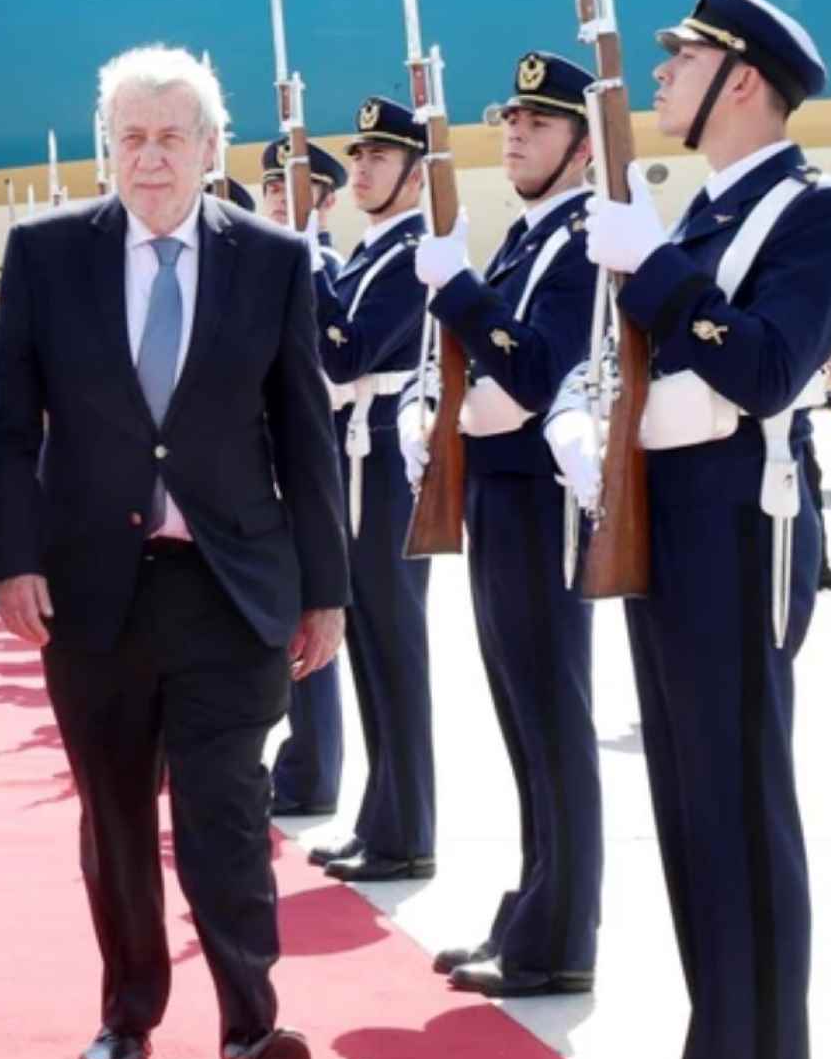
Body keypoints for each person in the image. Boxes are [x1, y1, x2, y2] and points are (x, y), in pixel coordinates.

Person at [0, 46, 346, 1059]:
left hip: (227, 586)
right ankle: (129, 1008)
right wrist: (12, 558)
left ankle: (249, 1031)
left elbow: (304, 431)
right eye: (131, 137)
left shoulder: (271, 259)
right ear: (110, 146)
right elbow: (9, 428)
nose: (149, 157)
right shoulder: (46, 255)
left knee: (224, 810)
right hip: (91, 589)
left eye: (170, 137)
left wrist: (325, 588)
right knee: (112, 813)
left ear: (209, 147)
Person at [545, 0, 831, 1059]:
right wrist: (586, 424)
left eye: (681, 60)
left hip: (737, 533)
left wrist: (657, 274)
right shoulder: (694, 216)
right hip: (664, 529)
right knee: (686, 806)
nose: (661, 76)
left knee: (736, 806)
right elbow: (636, 361)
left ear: (740, 81)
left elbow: (766, 368)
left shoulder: (812, 214)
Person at [402, 52, 603, 998]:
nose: (516, 133)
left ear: (584, 146)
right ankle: (533, 910)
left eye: (540, 121)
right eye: (513, 119)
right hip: (500, 494)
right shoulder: (530, 239)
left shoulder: (580, 242)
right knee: (524, 718)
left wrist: (458, 289)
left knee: (552, 716)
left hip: (540, 502)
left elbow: (532, 368)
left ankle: (561, 936)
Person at [304, 96, 438, 884]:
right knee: (370, 647)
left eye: (380, 158)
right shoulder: (370, 252)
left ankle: (408, 828)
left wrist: (308, 267)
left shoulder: (413, 254)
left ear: (417, 175)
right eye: (357, 156)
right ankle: (382, 819)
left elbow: (347, 352)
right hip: (358, 451)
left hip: (387, 458)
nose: (361, 169)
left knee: (396, 646)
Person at [258, 136, 351, 819]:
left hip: (315, 460)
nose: (275, 198)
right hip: (262, 462)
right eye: (269, 187)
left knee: (312, 621)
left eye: (289, 186)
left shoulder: (329, 270)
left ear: (324, 201)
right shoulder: (256, 266)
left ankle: (313, 770)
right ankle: (297, 760)